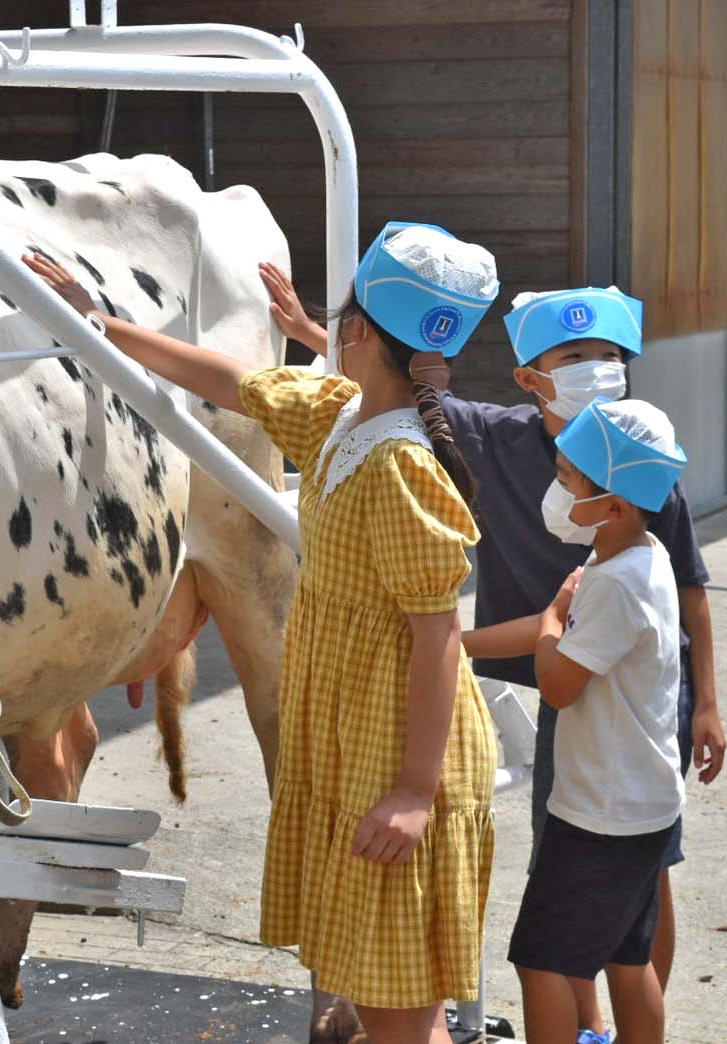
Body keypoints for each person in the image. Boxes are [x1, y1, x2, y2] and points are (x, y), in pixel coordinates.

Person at [28, 222, 499, 1044]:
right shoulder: (341, 416)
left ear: (354, 332)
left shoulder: (400, 465)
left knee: (402, 1019)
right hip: (359, 742)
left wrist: (416, 794)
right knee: (381, 993)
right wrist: (99, 323)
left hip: (400, 756)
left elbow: (439, 638)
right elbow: (237, 381)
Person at [262, 274, 727, 1042]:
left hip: (614, 705)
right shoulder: (499, 438)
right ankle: (594, 1029)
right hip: (578, 722)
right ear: (529, 376)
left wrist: (705, 702)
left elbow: (687, 596)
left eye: (609, 353)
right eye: (575, 354)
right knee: (591, 883)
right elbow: (401, 386)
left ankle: (603, 1025)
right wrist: (329, 340)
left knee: (615, 906)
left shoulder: (638, 469)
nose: (598, 369)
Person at [461, 397, 689, 1044]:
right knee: (627, 957)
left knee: (540, 962)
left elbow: (557, 680)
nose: (556, 486)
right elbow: (549, 626)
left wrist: (555, 623)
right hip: (642, 808)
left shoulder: (616, 582)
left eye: (568, 478)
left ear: (614, 506)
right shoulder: (633, 556)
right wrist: (455, 643)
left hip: (598, 819)